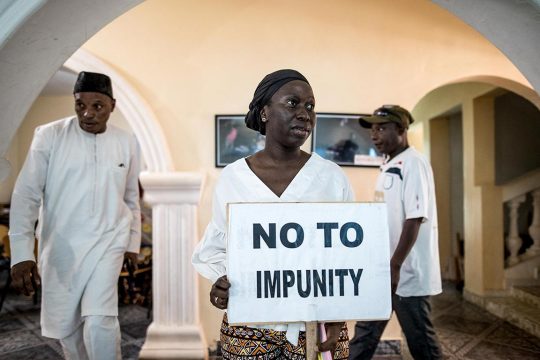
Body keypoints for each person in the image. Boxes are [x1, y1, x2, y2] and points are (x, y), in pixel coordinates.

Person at [192, 69, 354, 359]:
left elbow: (346, 255)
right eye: (292, 103)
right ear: (265, 112)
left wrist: (338, 316)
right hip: (249, 324)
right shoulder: (233, 178)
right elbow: (216, 247)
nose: (305, 114)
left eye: (310, 106)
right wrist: (221, 283)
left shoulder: (331, 177)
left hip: (317, 325)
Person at [9, 71, 141, 360]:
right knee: (68, 329)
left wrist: (132, 244)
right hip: (61, 247)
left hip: (109, 241)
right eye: (80, 104)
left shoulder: (127, 141)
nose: (88, 113)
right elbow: (26, 194)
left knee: (99, 319)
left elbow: (131, 197)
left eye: (97, 106)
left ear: (112, 106)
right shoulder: (49, 136)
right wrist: (21, 252)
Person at [349, 105, 442, 360]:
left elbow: (414, 219)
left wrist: (395, 265)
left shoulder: (414, 163)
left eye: (381, 128)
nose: (374, 135)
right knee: (365, 333)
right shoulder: (390, 163)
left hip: (406, 273)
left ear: (401, 130)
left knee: (421, 341)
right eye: (373, 130)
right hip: (386, 269)